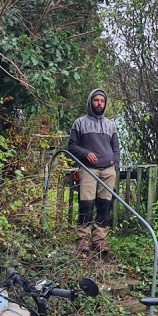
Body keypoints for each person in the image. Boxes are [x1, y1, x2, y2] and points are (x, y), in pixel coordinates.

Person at [67, 88, 120, 257]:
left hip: (108, 170)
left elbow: (116, 148)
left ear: (105, 103)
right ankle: (82, 239)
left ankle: (99, 241)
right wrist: (85, 153)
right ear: (90, 101)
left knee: (105, 205)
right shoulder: (80, 123)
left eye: (102, 101)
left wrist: (115, 165)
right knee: (86, 204)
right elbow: (72, 146)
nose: (99, 104)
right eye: (96, 100)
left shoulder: (110, 125)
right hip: (89, 169)